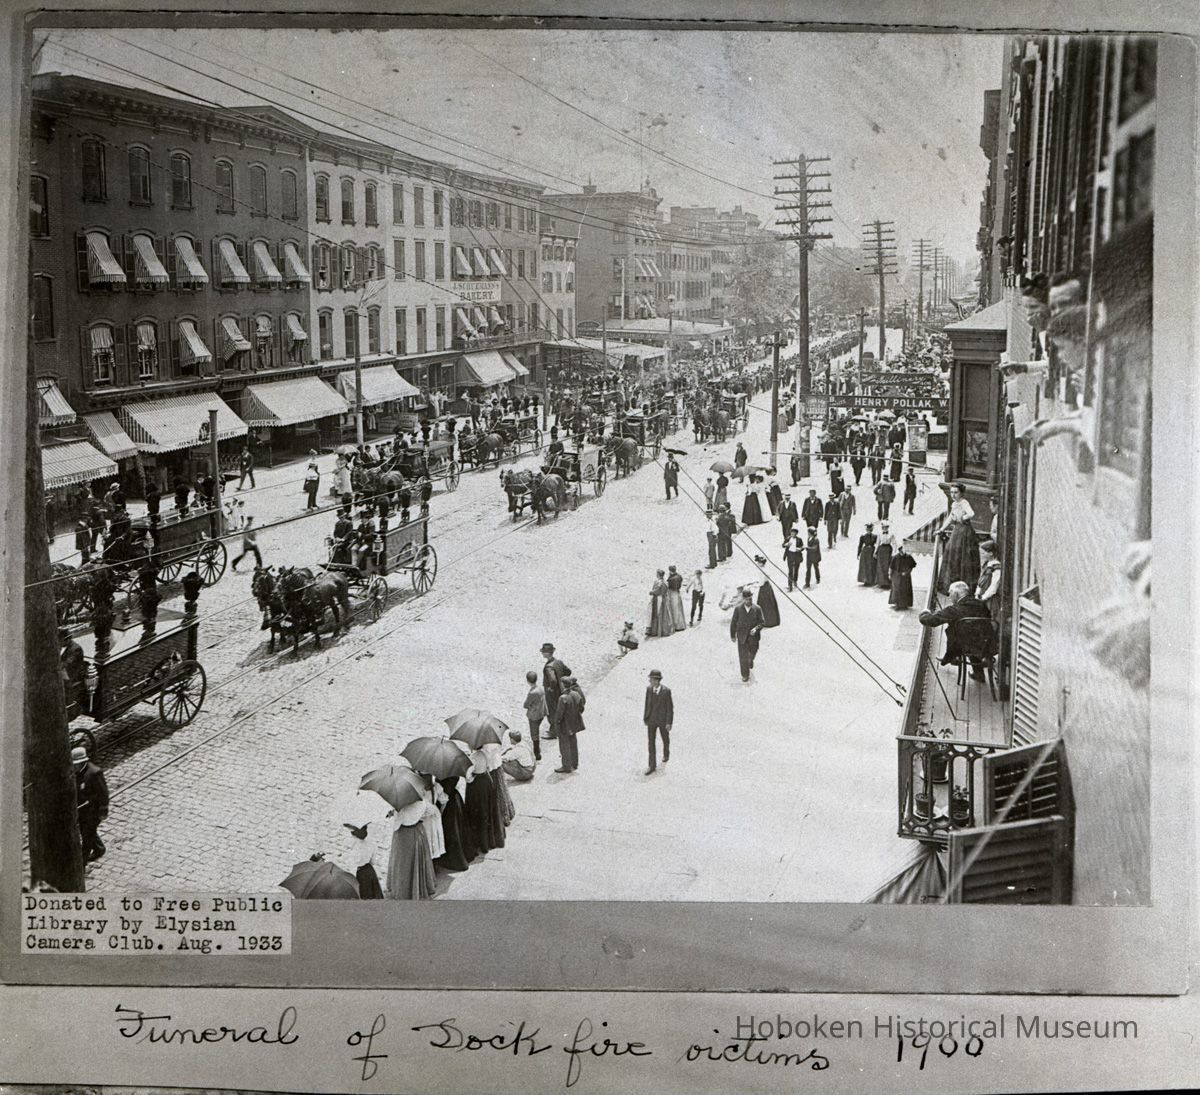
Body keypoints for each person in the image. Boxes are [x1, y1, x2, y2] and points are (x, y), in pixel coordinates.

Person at [919, 580, 992, 675]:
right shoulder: (981, 604)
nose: (949, 597)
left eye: (950, 594)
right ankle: (978, 674)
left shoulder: (953, 610)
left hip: (965, 647)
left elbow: (931, 620)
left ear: (956, 594)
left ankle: (953, 657)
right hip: (986, 644)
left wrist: (924, 613)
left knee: (962, 634)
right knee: (972, 632)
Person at [387, 794, 437, 899]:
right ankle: (419, 887)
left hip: (403, 835)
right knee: (417, 861)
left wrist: (393, 814)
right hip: (417, 831)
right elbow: (432, 810)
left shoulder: (402, 806)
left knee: (402, 863)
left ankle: (403, 889)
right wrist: (420, 816)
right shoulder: (422, 803)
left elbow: (396, 825)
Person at [940, 482, 981, 593]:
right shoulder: (954, 504)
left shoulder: (964, 502)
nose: (953, 495)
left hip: (964, 531)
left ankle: (964, 587)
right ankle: (953, 586)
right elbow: (950, 518)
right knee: (953, 554)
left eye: (956, 492)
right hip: (957, 530)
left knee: (963, 556)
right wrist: (941, 529)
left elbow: (971, 513)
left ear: (961, 493)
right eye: (951, 492)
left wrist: (963, 517)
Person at [74, 746, 108, 863]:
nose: (75, 766)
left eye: (77, 764)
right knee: (87, 831)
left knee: (87, 835)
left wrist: (103, 810)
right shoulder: (77, 772)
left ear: (83, 761)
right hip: (82, 810)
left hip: (93, 811)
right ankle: (99, 849)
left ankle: (82, 862)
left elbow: (103, 793)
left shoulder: (94, 772)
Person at [433, 776, 473, 871]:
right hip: (455, 798)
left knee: (450, 829)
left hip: (447, 802)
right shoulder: (454, 771)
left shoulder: (441, 776)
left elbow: (444, 796)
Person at [729, 587, 765, 683]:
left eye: (750, 598)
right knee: (742, 656)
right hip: (742, 637)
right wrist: (732, 635)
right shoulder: (738, 609)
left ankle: (750, 660)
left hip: (754, 638)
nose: (749, 600)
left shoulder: (757, 608)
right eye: (747, 599)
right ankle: (745, 675)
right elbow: (733, 622)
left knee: (752, 654)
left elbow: (762, 623)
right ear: (743, 599)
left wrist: (756, 629)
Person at [642, 669, 674, 774]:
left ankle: (666, 753)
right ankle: (652, 765)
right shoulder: (649, 689)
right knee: (651, 743)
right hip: (651, 720)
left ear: (656, 680)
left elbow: (670, 708)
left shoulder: (666, 691)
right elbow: (647, 704)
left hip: (662, 721)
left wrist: (669, 722)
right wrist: (645, 718)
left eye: (651, 679)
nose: (649, 681)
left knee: (665, 738)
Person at [344, 823, 384, 899]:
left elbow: (353, 863)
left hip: (361, 872)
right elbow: (373, 862)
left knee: (363, 894)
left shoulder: (355, 847)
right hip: (370, 870)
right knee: (374, 895)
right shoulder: (371, 845)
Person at [554, 676, 585, 773]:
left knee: (564, 745)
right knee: (573, 743)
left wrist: (557, 724)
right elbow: (581, 707)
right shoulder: (576, 694)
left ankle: (566, 766)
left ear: (563, 685)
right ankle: (574, 763)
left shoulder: (562, 698)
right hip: (574, 722)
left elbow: (559, 715)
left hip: (565, 725)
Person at [541, 643, 570, 741]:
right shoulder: (558, 662)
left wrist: (551, 688)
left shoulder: (549, 667)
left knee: (552, 711)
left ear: (547, 653)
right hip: (561, 690)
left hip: (552, 693)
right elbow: (568, 671)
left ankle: (553, 731)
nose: (542, 654)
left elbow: (552, 680)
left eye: (544, 652)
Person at [60, 627, 87, 721]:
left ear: (67, 639)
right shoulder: (61, 647)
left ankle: (69, 708)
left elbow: (67, 663)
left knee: (62, 684)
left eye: (60, 641)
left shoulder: (76, 649)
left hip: (73, 675)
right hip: (65, 672)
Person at [522, 669, 545, 762]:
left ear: (528, 681)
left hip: (534, 715)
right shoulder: (540, 688)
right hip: (541, 712)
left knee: (534, 735)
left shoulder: (532, 693)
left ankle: (537, 753)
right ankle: (537, 750)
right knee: (536, 732)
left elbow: (525, 705)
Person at [975, 539, 1002, 615]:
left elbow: (994, 585)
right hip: (982, 597)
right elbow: (981, 580)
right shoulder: (986, 564)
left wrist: (984, 597)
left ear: (991, 553)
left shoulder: (996, 567)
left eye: (983, 553)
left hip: (991, 598)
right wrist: (978, 593)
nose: (981, 555)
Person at [888, 543, 918, 609]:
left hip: (906, 576)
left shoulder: (908, 557)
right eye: (900, 550)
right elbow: (891, 567)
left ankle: (905, 604)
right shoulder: (895, 557)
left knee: (906, 589)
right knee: (897, 589)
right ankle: (897, 604)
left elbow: (912, 566)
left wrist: (908, 572)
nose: (902, 551)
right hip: (896, 576)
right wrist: (890, 575)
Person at [754, 556, 781, 627]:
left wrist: (756, 585)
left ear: (762, 563)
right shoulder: (764, 569)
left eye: (759, 562)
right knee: (768, 603)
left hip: (764, 587)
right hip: (767, 587)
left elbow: (762, 582)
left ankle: (767, 621)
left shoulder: (763, 571)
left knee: (764, 604)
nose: (757, 564)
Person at [647, 569, 670, 637]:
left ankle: (655, 631)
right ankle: (663, 630)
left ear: (658, 575)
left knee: (655, 614)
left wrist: (651, 592)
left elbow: (657, 591)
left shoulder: (658, 582)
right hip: (663, 598)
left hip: (658, 599)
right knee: (663, 614)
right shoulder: (665, 582)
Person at [665, 566, 687, 632]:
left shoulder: (672, 579)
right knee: (678, 609)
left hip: (672, 593)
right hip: (677, 593)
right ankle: (680, 625)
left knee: (674, 609)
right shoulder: (679, 576)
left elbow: (669, 586)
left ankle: (676, 625)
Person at [875, 523, 896, 591]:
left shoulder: (891, 534)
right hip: (881, 550)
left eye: (886, 527)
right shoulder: (879, 534)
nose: (884, 528)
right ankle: (881, 583)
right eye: (883, 527)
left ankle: (887, 583)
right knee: (880, 566)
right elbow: (877, 543)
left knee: (886, 566)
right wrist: (875, 552)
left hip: (888, 550)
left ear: (888, 528)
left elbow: (894, 544)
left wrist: (893, 553)